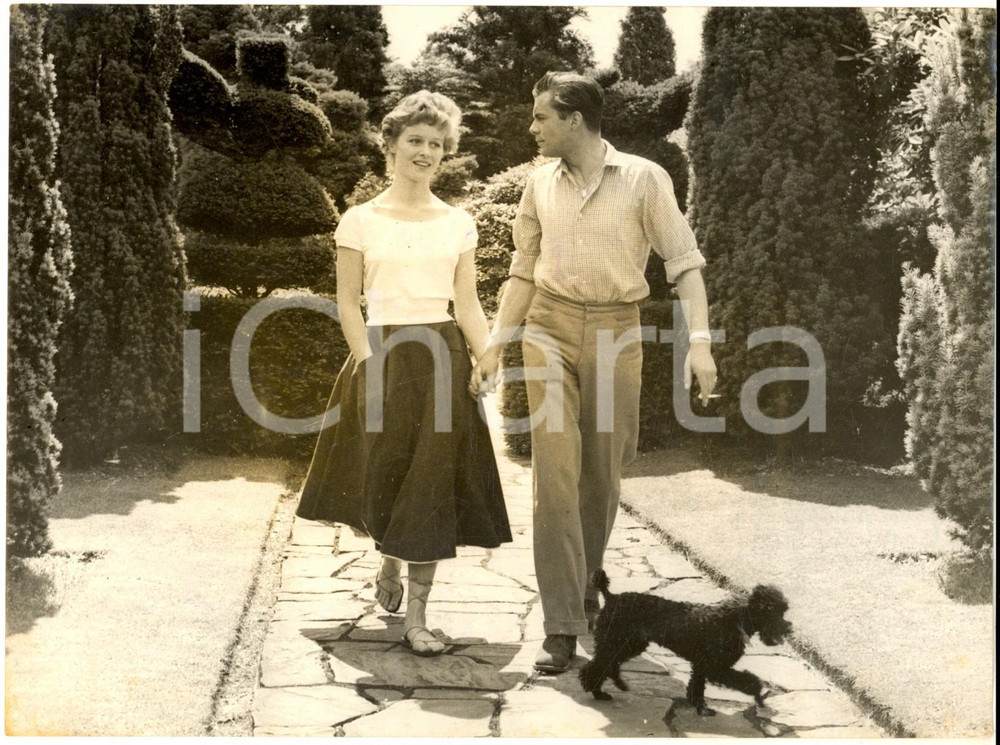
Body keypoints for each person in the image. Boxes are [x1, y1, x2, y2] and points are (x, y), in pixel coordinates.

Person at [470, 72, 717, 673]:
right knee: (554, 470)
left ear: (574, 119)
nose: (532, 128)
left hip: (616, 330)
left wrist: (700, 345)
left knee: (602, 473)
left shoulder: (644, 179)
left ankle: (582, 586)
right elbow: (522, 272)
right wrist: (497, 343)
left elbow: (684, 265)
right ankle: (561, 624)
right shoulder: (537, 185)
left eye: (540, 118)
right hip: (548, 328)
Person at [297, 90, 512, 657]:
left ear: (446, 154)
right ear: (389, 146)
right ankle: (389, 560)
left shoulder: (457, 221)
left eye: (436, 144)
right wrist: (368, 364)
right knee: (388, 471)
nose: (425, 152)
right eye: (414, 141)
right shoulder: (360, 220)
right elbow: (347, 303)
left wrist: (486, 355)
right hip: (381, 354)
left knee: (432, 481)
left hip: (442, 356)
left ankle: (418, 615)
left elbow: (466, 304)